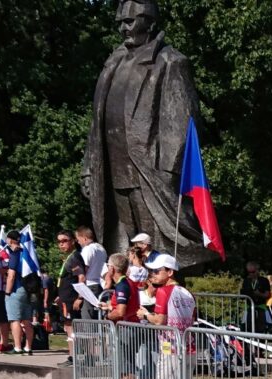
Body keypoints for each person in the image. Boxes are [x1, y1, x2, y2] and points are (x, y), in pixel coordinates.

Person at [80, 0, 213, 269]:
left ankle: (161, 294)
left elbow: (182, 122)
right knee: (122, 245)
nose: (124, 28)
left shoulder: (171, 62)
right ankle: (128, 296)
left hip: (149, 169)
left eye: (130, 21)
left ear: (150, 23)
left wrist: (169, 170)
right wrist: (88, 167)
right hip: (112, 167)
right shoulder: (113, 62)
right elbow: (96, 124)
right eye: (120, 22)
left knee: (158, 246)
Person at [137, 254, 195, 379]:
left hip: (171, 348)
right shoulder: (187, 293)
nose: (152, 275)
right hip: (188, 347)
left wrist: (146, 314)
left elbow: (161, 321)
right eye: (151, 271)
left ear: (169, 272)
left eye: (156, 271)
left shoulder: (164, 292)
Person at [100, 253, 141, 379]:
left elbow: (121, 311)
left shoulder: (122, 284)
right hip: (130, 327)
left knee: (126, 371)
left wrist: (107, 317)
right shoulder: (128, 283)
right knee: (126, 369)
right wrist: (109, 307)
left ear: (112, 268)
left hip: (126, 329)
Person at [54, 230, 86, 368]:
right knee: (67, 326)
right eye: (59, 241)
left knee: (71, 326)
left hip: (71, 299)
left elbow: (81, 277)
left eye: (64, 241)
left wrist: (80, 297)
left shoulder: (74, 257)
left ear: (73, 241)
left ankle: (74, 356)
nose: (61, 244)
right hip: (65, 298)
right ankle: (72, 355)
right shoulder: (69, 257)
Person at [3, 231, 34, 355]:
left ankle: (17, 347)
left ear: (10, 240)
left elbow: (11, 275)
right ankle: (28, 347)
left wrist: (7, 292)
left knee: (14, 319)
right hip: (29, 289)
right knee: (27, 320)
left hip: (17, 289)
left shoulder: (15, 254)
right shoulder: (27, 252)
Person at [76, 226, 108, 320]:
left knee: (88, 318)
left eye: (78, 239)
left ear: (84, 238)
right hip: (99, 285)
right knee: (97, 317)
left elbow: (83, 271)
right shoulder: (101, 248)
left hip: (88, 285)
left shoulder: (87, 249)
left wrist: (80, 296)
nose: (78, 242)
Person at [240, 261, 271, 333]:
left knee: (261, 328)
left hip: (261, 308)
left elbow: (268, 294)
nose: (251, 274)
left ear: (257, 270)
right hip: (249, 308)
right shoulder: (246, 281)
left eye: (253, 272)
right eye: (249, 272)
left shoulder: (264, 280)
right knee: (247, 327)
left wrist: (259, 294)